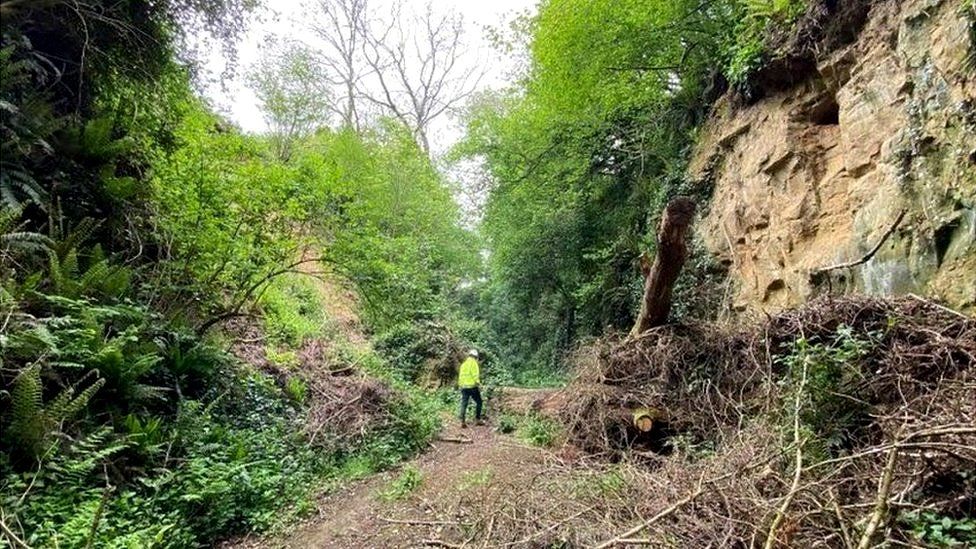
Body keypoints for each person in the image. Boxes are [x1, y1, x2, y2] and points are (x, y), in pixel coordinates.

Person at [457, 349, 483, 428]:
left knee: (464, 403)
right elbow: (475, 374)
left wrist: (460, 385)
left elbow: (460, 376)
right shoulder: (474, 363)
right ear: (476, 357)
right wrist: (478, 383)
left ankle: (462, 421)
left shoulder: (463, 364)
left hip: (464, 387)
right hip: (472, 387)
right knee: (479, 402)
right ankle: (477, 419)